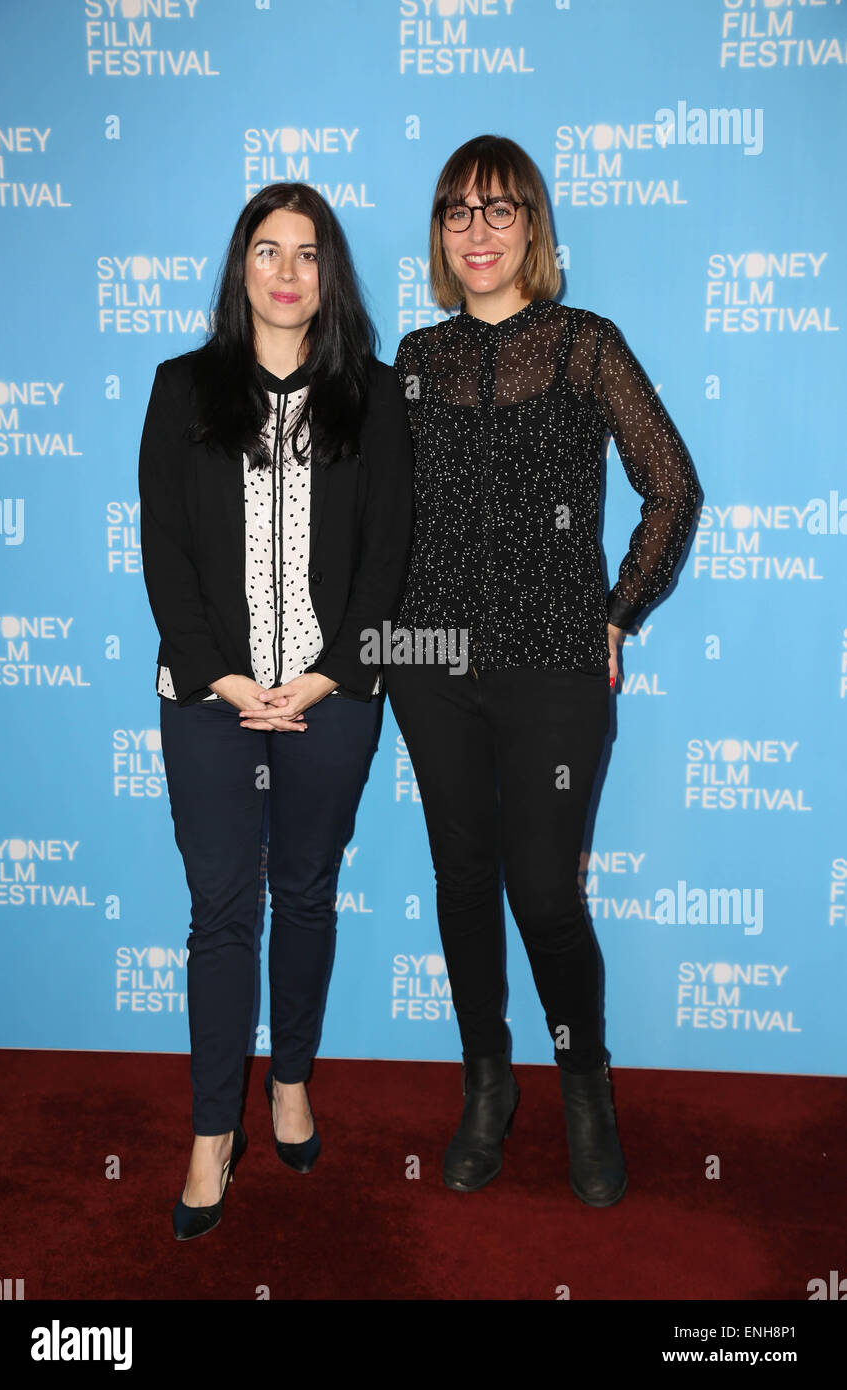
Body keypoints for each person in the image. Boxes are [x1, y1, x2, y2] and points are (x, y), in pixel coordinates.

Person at [385, 134, 700, 1204]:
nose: (477, 232)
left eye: (499, 209)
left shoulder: (583, 346)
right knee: (462, 881)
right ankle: (484, 1084)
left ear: (534, 225)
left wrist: (619, 609)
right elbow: (374, 518)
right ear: (439, 235)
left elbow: (671, 487)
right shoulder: (414, 365)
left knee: (539, 890)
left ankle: (580, 1084)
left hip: (554, 663)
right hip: (427, 659)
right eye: (456, 213)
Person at [138, 183, 413, 1240]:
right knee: (221, 910)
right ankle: (214, 1130)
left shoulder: (373, 398)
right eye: (266, 250)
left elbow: (386, 552)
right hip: (206, 699)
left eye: (307, 252)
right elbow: (163, 549)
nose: (287, 270)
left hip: (331, 694)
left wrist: (332, 671)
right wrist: (216, 674)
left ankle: (288, 1082)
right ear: (240, 268)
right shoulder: (180, 390)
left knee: (303, 894)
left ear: (327, 274)